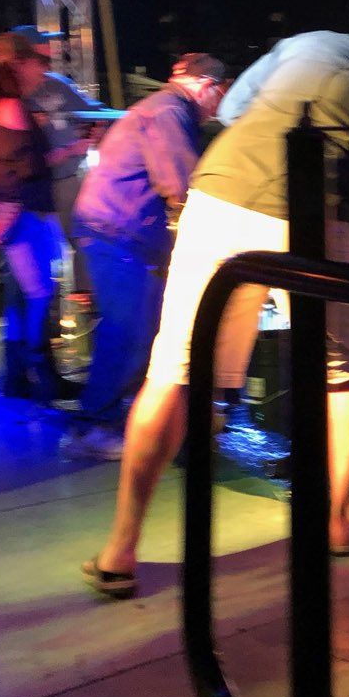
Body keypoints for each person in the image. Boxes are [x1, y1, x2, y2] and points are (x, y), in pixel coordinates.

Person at [83, 24, 349, 598]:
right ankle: (341, 522)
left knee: (170, 372)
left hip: (218, 195)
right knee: (339, 373)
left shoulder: (311, 41)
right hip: (311, 212)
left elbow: (235, 106)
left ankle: (119, 551)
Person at [60, 53, 228, 460]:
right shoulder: (170, 112)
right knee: (127, 330)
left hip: (119, 232)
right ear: (208, 87)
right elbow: (181, 184)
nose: (217, 108)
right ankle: (92, 427)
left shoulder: (163, 107)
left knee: (146, 328)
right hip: (117, 233)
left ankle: (134, 414)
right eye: (219, 97)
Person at [0, 25, 109, 290]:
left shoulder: (56, 84)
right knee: (31, 259)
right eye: (40, 50)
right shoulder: (0, 92)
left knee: (79, 242)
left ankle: (81, 305)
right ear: (21, 56)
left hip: (64, 180)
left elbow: (92, 110)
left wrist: (103, 124)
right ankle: (38, 316)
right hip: (27, 187)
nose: (47, 55)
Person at [0, 32, 69, 403]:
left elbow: (9, 162)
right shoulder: (11, 106)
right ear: (20, 63)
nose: (42, 71)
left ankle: (17, 377)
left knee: (20, 298)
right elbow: (28, 166)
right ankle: (41, 375)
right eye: (39, 62)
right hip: (23, 212)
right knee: (40, 293)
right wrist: (69, 148)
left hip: (9, 213)